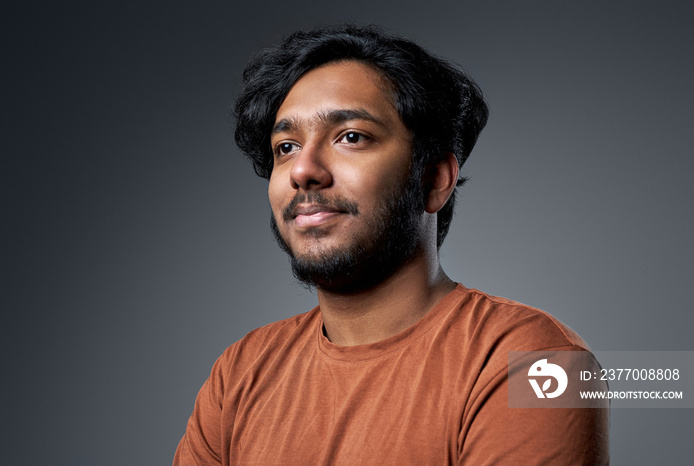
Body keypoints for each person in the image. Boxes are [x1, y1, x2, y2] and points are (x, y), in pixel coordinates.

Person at [174, 24, 609, 465]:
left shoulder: (536, 362)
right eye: (286, 146)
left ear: (435, 179)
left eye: (351, 137)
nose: (302, 170)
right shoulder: (240, 373)